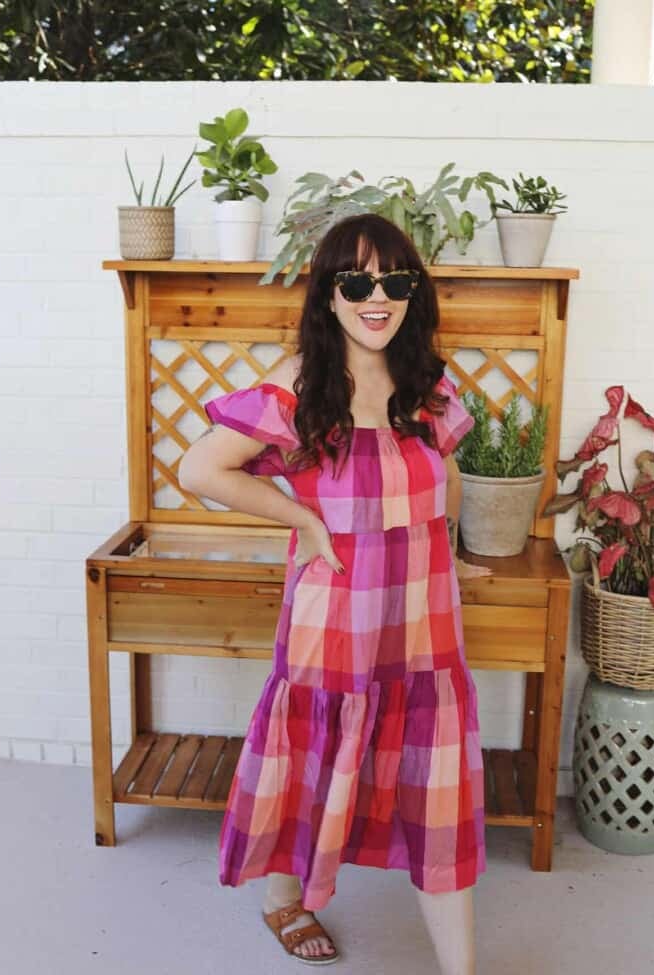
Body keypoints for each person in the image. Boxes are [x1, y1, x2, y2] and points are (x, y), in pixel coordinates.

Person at [178, 213, 492, 972]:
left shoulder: (426, 385)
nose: (375, 296)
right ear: (328, 295)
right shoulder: (302, 386)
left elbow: (444, 474)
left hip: (421, 628)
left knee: (435, 786)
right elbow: (199, 469)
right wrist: (300, 519)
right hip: (336, 617)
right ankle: (284, 896)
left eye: (394, 280)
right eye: (356, 281)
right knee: (313, 757)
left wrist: (445, 551)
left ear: (413, 292)